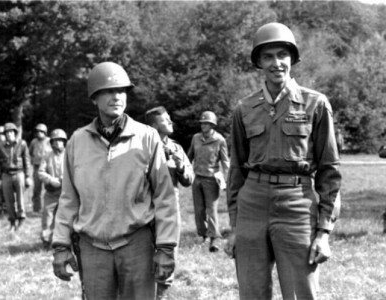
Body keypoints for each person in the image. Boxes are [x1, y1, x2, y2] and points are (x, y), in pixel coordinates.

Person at [225, 22, 341, 300]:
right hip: (252, 202)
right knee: (252, 290)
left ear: (292, 59)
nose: (276, 63)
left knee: (301, 290)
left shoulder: (316, 104)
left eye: (282, 55)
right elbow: (236, 171)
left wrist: (323, 231)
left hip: (297, 202)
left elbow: (330, 171)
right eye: (268, 57)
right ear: (259, 63)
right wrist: (235, 226)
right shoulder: (244, 109)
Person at [52, 62, 179, 300]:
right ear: (94, 98)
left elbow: (165, 197)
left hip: (137, 244)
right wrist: (61, 245)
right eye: (108, 91)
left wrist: (165, 247)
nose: (116, 96)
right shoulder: (77, 142)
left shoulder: (147, 137)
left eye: (121, 91)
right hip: (92, 247)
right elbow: (68, 199)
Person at [145, 106, 194, 299]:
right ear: (153, 126)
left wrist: (181, 167)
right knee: (143, 253)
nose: (171, 122)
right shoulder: (142, 148)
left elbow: (189, 179)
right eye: (166, 120)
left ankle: (162, 295)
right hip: (145, 209)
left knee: (169, 252)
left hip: (170, 210)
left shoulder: (176, 148)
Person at [187, 111, 229, 252]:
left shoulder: (220, 140)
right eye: (202, 123)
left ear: (212, 125)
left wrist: (228, 180)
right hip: (197, 177)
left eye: (206, 123)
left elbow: (225, 161)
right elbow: (189, 156)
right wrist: (186, 170)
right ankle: (202, 235)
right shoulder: (195, 138)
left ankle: (214, 239)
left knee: (211, 210)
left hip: (212, 179)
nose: (203, 125)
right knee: (199, 210)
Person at [0, 122, 32, 231]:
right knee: (8, 199)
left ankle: (21, 219)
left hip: (19, 173)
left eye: (11, 132)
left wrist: (27, 176)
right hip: (6, 174)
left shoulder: (22, 144)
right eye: (7, 132)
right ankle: (12, 221)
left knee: (20, 198)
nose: (9, 134)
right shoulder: (1, 146)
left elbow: (27, 160)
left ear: (15, 133)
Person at [38, 129, 67, 249]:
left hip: (66, 192)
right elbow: (40, 172)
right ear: (51, 142)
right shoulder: (47, 156)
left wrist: (63, 178)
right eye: (55, 141)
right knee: (47, 217)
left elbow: (76, 171)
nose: (58, 143)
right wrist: (50, 180)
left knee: (66, 218)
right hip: (51, 192)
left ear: (64, 142)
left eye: (60, 140)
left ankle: (64, 242)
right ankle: (46, 241)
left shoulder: (70, 155)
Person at [29, 123, 51, 213]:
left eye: (41, 131)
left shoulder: (50, 141)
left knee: (50, 188)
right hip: (37, 167)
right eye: (37, 131)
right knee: (36, 190)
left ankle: (49, 208)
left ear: (45, 132)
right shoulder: (34, 142)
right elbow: (30, 153)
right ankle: (36, 208)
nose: (39, 133)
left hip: (47, 168)